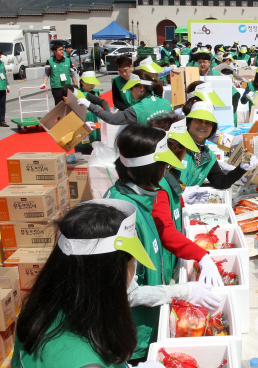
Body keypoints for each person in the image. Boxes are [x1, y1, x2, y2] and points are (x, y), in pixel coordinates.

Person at [12, 199, 185, 367]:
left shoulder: (38, 312)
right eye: (132, 262)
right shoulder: (88, 363)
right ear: (110, 276)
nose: (133, 275)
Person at [103, 128, 220, 360]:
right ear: (150, 168)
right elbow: (125, 293)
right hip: (131, 332)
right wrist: (183, 291)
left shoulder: (140, 197)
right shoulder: (120, 216)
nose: (167, 170)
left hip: (146, 322)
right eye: (164, 165)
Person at [147, 114, 224, 286]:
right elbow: (165, 230)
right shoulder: (156, 185)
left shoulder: (166, 175)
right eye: (185, 149)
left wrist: (183, 202)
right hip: (156, 262)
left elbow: (173, 203)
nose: (185, 156)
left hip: (169, 256)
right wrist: (201, 255)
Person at [180, 100, 258, 188]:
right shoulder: (175, 145)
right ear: (189, 122)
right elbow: (164, 174)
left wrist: (241, 168)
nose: (203, 125)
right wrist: (180, 191)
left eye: (208, 122)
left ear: (212, 129)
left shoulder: (208, 156)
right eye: (198, 120)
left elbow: (220, 182)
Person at [82, 72, 171, 126]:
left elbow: (112, 119)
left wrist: (89, 105)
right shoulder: (165, 102)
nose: (130, 92)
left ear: (141, 88)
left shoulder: (137, 109)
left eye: (131, 89)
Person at [0, 47, 9, 127]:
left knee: (2, 105)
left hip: (2, 87)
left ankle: (2, 120)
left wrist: (7, 85)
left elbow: (4, 74)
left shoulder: (2, 63)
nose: (0, 57)